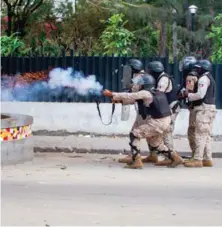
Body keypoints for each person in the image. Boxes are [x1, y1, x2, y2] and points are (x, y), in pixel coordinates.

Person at [103, 74, 183, 169]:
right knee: (155, 144)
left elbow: (130, 96)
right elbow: (136, 100)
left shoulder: (145, 93)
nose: (136, 85)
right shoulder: (156, 92)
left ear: (144, 85)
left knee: (135, 134)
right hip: (165, 121)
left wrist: (111, 94)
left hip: (157, 122)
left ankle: (136, 160)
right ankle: (175, 157)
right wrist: (118, 100)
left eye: (139, 84)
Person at [118, 59, 158, 164]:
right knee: (149, 136)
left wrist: (118, 97)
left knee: (134, 133)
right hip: (146, 110)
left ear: (133, 69)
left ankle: (135, 157)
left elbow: (134, 95)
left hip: (144, 111)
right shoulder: (142, 77)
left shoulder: (139, 78)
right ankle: (153, 155)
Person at [181, 60, 216, 167]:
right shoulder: (210, 77)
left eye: (198, 68)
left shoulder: (203, 79)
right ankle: (207, 158)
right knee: (206, 135)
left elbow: (200, 95)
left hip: (203, 109)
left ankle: (197, 159)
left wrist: (188, 95)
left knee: (199, 135)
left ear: (203, 69)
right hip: (210, 109)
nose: (196, 69)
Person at [144, 61, 180, 166]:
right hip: (164, 109)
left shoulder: (163, 80)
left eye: (150, 72)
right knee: (155, 131)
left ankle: (171, 157)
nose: (149, 74)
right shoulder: (159, 78)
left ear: (155, 71)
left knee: (166, 132)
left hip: (170, 109)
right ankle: (153, 155)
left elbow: (157, 94)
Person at [177, 56, 198, 160]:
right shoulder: (197, 75)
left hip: (195, 108)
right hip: (198, 108)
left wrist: (180, 95)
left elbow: (188, 92)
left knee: (192, 132)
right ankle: (203, 157)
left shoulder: (190, 77)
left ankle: (196, 156)